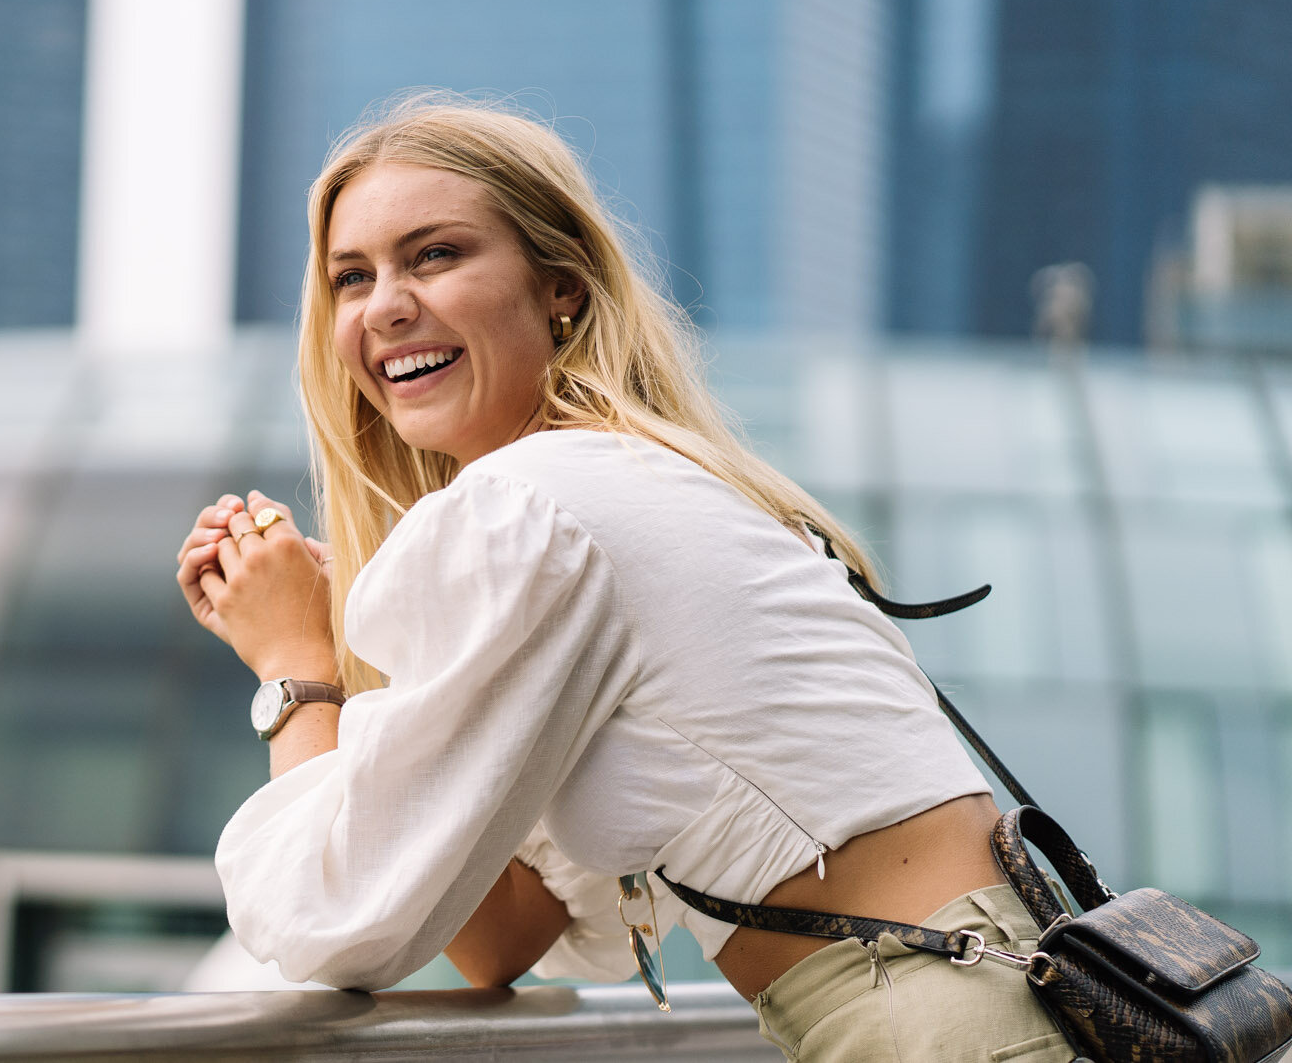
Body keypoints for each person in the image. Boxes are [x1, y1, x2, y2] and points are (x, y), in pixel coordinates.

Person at [172, 94, 1076, 1060]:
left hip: (931, 1019)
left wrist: (297, 668)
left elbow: (339, 922)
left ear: (561, 285)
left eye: (434, 255)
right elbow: (501, 935)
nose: (386, 303)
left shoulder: (530, 506)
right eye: (352, 275)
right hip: (964, 1000)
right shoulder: (631, 479)